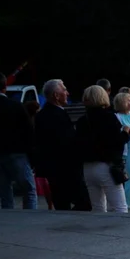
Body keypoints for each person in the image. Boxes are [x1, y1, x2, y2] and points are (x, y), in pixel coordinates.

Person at [0, 71, 37, 210]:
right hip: (17, 153)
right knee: (28, 189)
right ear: (5, 86)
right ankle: (30, 217)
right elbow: (28, 131)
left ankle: (8, 218)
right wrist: (32, 155)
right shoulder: (15, 106)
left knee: (5, 192)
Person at [75, 85, 130, 213]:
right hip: (106, 166)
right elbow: (117, 141)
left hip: (88, 168)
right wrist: (125, 132)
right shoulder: (109, 118)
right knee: (120, 207)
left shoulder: (81, 121)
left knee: (98, 207)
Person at [34, 79, 89, 211]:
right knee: (84, 203)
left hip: (53, 169)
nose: (67, 93)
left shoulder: (42, 115)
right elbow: (67, 141)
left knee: (61, 204)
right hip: (67, 168)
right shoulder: (57, 114)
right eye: (64, 90)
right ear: (56, 95)